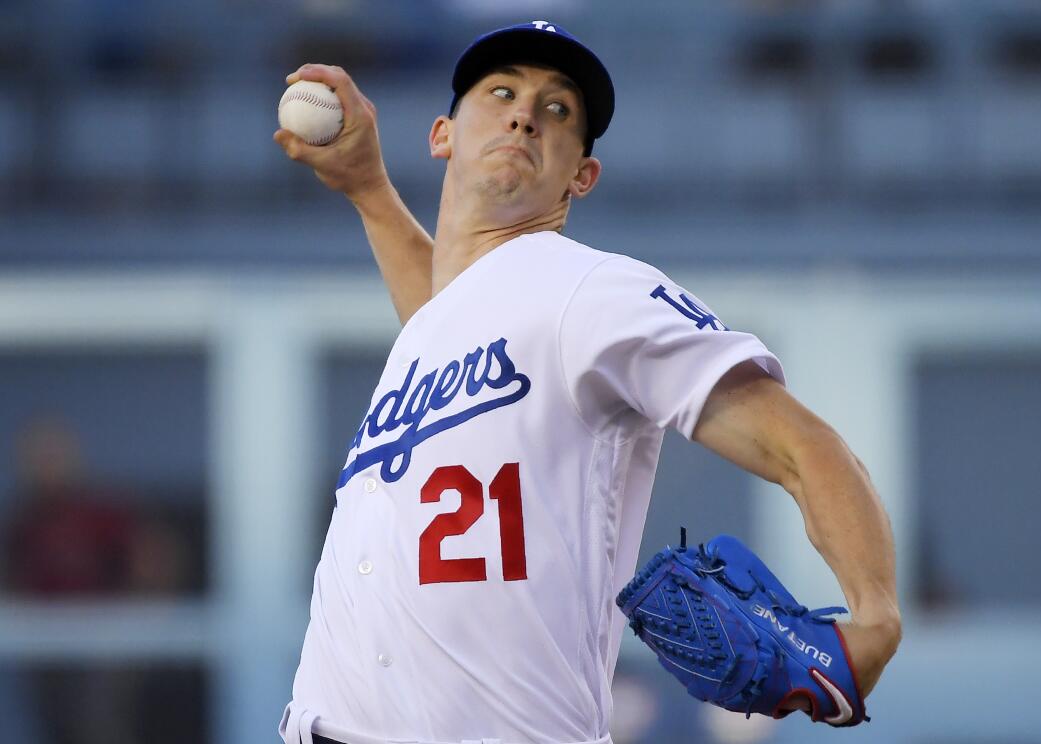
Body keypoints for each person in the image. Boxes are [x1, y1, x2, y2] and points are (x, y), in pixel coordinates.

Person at [274, 21, 900, 744]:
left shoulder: (592, 291)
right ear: (441, 134)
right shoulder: (447, 328)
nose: (524, 114)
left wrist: (875, 613)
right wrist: (369, 189)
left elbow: (801, 444)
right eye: (502, 91)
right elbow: (453, 316)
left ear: (582, 176)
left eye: (558, 110)